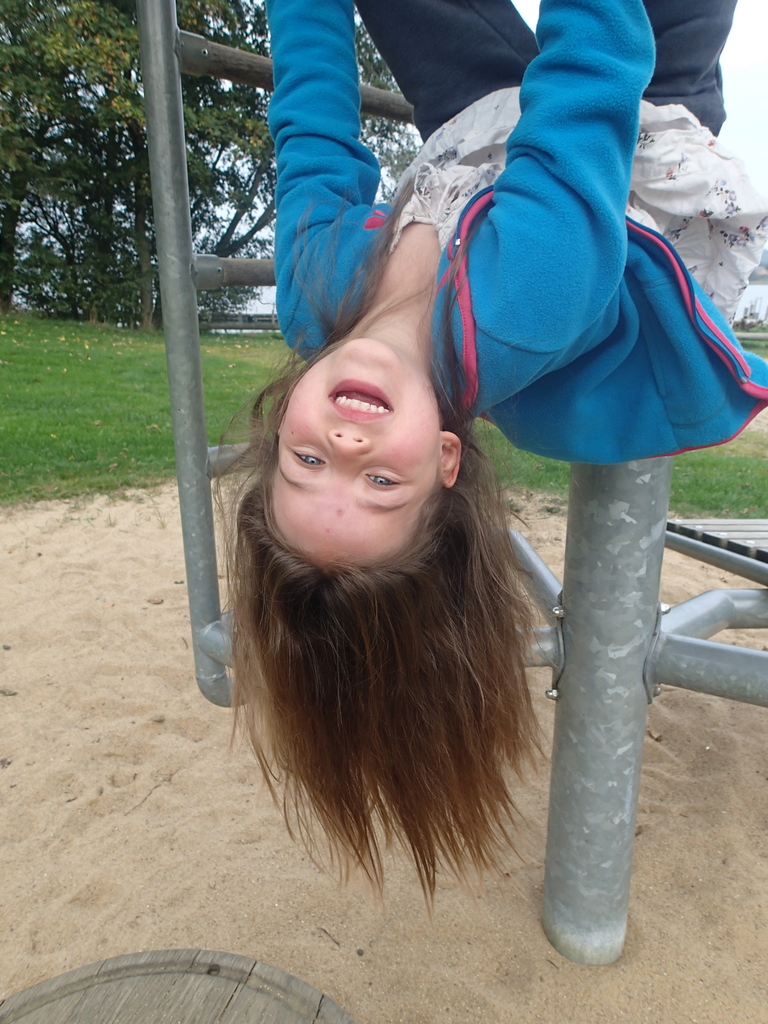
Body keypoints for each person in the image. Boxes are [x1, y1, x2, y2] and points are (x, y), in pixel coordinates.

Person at [227, 0, 768, 897]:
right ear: (445, 461)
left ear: (283, 425)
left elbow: (309, 121)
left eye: (309, 464)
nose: (346, 440)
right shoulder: (523, 301)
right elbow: (593, 61)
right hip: (637, 120)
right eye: (381, 480)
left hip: (474, 133)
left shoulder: (312, 294)